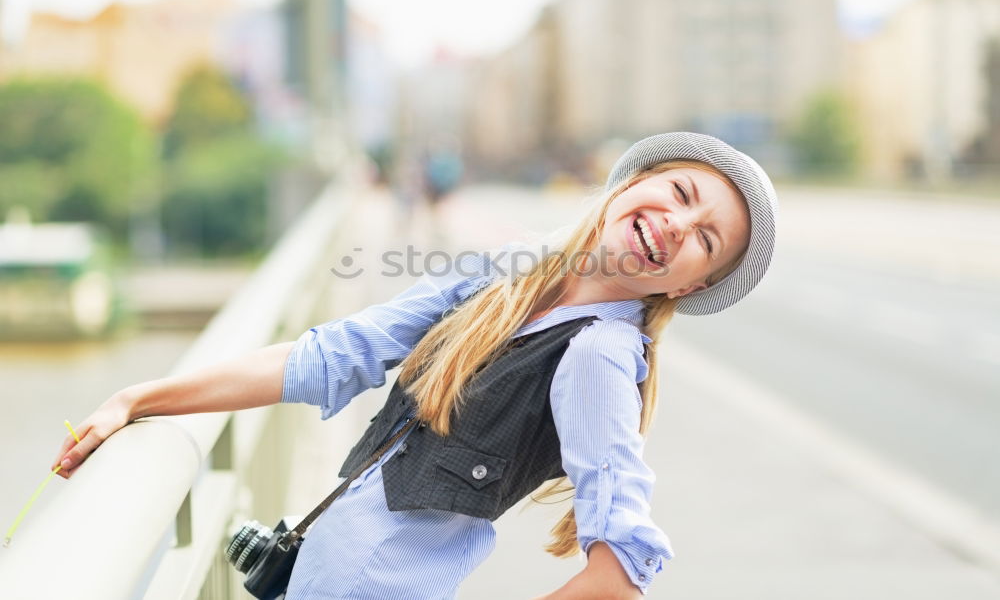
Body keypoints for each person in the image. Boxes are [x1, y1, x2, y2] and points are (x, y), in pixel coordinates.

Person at [52, 132, 779, 599]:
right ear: (634, 181)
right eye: (682, 193)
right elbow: (336, 354)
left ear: (688, 285)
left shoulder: (599, 352)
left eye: (704, 241)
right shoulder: (510, 274)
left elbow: (621, 570)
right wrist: (141, 397)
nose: (679, 224)